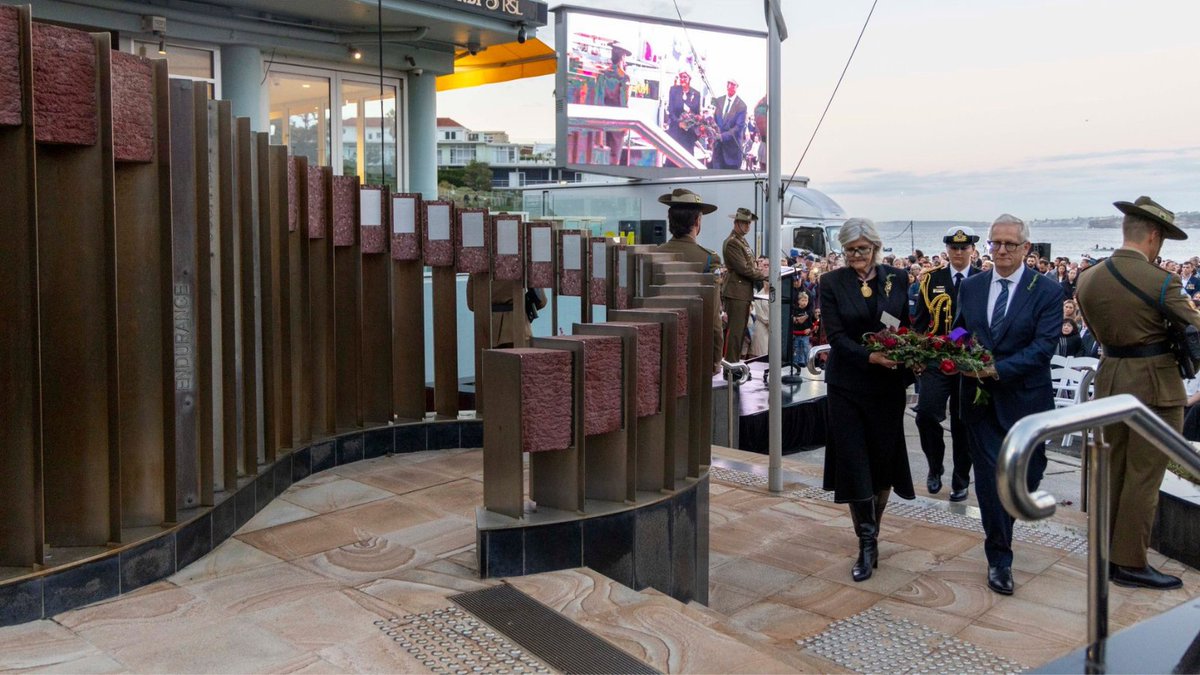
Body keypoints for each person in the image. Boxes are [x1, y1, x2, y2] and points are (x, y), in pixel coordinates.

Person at [1075, 195, 1200, 591]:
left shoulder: (1088, 278)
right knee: (1144, 478)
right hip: (1155, 389)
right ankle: (1130, 561)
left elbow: (1098, 333)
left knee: (1112, 471)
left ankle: (1107, 553)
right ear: (1154, 236)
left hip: (1110, 380)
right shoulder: (1162, 281)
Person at [956, 214, 1064, 596]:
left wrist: (995, 370)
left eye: (1009, 244)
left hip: (1027, 403)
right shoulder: (972, 286)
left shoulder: (1047, 290)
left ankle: (1008, 518)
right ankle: (999, 558)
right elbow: (960, 328)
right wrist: (954, 350)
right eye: (995, 243)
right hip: (980, 404)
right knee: (990, 483)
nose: (1001, 250)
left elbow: (1043, 348)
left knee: (1028, 476)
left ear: (1025, 248)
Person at [819, 218, 915, 583]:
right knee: (854, 462)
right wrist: (869, 356)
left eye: (862, 249)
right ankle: (867, 542)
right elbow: (836, 336)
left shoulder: (897, 278)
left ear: (875, 247)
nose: (856, 255)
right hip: (847, 384)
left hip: (887, 387)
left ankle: (874, 530)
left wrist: (906, 350)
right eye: (849, 250)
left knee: (882, 462)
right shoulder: (831, 282)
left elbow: (905, 324)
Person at [913, 226, 980, 501]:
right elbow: (920, 321)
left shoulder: (982, 279)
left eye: (964, 248)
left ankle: (960, 479)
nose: (959, 252)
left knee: (964, 422)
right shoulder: (932, 279)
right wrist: (917, 355)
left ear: (973, 250)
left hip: (969, 360)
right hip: (936, 358)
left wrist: (957, 338)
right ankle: (935, 465)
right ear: (947, 250)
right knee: (926, 414)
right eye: (954, 248)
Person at [656, 188, 724, 371]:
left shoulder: (654, 254)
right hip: (694, 347)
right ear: (697, 221)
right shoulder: (709, 258)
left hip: (657, 345)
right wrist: (715, 358)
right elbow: (713, 316)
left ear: (670, 221)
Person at [722, 207, 767, 361]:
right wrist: (763, 275)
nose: (748, 226)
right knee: (735, 332)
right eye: (744, 223)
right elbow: (743, 268)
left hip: (742, 291)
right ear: (736, 223)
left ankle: (734, 363)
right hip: (736, 291)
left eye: (749, 223)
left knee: (740, 331)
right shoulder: (733, 242)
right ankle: (731, 364)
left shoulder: (741, 241)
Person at [465, 278, 546, 348]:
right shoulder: (522, 264)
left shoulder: (478, 266)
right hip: (518, 327)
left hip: (487, 330)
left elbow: (472, 304)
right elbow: (542, 301)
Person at [601, 45, 632, 165]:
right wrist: (626, 125)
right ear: (623, 57)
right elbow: (624, 103)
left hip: (602, 120)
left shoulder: (603, 73)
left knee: (602, 155)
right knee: (614, 157)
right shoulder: (624, 77)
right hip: (617, 122)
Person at [665, 71, 702, 161]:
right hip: (675, 131)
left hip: (688, 134)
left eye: (685, 77)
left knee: (687, 160)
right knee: (672, 159)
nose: (682, 79)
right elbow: (671, 111)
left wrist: (689, 124)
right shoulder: (674, 90)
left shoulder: (696, 94)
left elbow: (697, 114)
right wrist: (679, 123)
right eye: (681, 77)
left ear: (689, 78)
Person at [711, 79, 746, 170]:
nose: (730, 86)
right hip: (718, 152)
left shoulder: (742, 106)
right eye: (729, 83)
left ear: (737, 87)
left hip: (732, 155)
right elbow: (714, 120)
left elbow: (738, 128)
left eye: (733, 84)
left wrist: (722, 136)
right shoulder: (719, 101)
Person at [791, 288, 814, 368]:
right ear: (798, 301)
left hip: (805, 334)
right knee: (796, 348)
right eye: (802, 300)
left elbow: (811, 322)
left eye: (806, 301)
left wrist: (810, 329)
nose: (804, 302)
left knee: (805, 348)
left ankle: (806, 362)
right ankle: (796, 363)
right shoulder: (795, 310)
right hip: (796, 333)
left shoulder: (808, 312)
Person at [748, 277, 770, 358]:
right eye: (766, 281)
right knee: (760, 350)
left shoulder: (775, 294)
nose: (768, 283)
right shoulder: (759, 295)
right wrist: (767, 321)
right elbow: (759, 312)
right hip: (761, 324)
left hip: (773, 326)